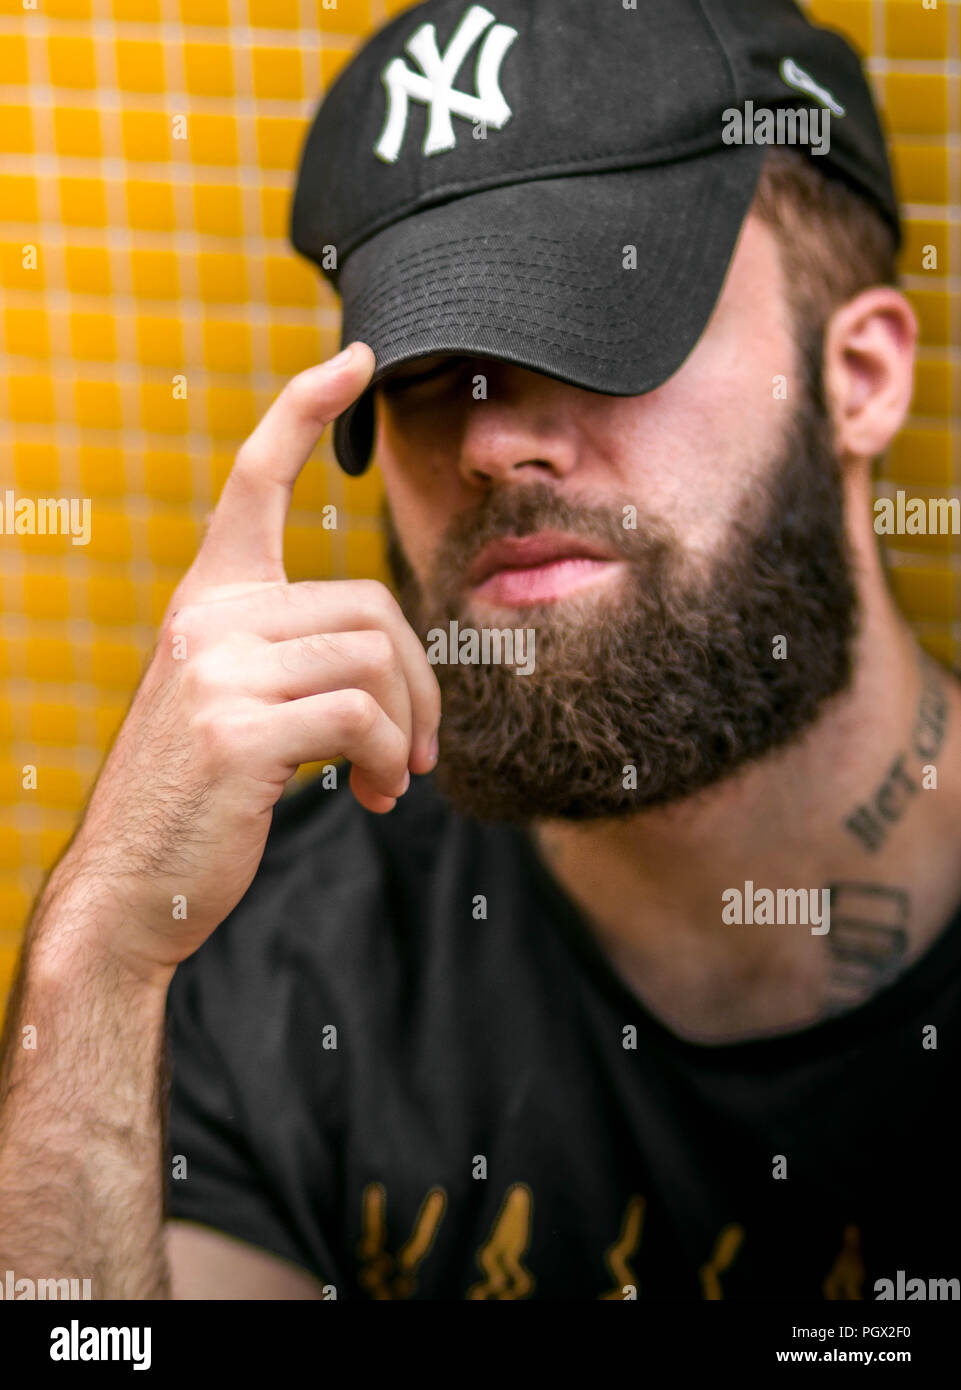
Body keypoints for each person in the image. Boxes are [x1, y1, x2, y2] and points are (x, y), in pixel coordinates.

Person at [1, 0, 958, 1302]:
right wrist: (96, 964)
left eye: (602, 318)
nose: (489, 443)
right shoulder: (279, 960)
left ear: (858, 377)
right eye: (427, 363)